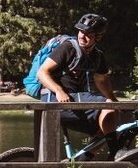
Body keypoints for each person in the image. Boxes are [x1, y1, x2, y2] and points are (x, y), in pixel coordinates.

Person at [33, 12, 123, 141]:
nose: (82, 36)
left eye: (88, 34)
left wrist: (116, 103)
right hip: (55, 101)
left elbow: (101, 81)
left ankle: (90, 155)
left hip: (75, 103)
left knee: (106, 126)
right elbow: (42, 72)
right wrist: (59, 91)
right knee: (108, 106)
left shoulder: (98, 56)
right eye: (81, 31)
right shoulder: (68, 48)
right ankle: (116, 149)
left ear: (98, 37)